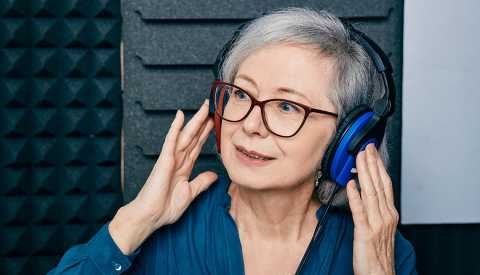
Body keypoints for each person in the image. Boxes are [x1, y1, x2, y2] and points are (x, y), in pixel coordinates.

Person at [48, 7, 417, 275]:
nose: (251, 125)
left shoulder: (382, 250)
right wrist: (134, 222)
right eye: (241, 95)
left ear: (347, 140)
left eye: (286, 106)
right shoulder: (158, 235)